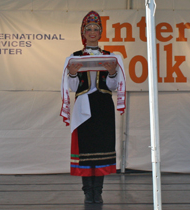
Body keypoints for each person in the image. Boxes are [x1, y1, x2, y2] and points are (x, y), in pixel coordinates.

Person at [60, 11, 126, 204]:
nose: (92, 32)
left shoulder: (110, 57)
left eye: (96, 29)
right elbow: (72, 88)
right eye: (88, 29)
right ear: (83, 32)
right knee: (86, 150)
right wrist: (72, 74)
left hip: (103, 106)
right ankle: (88, 192)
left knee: (102, 148)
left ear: (100, 33)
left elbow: (113, 87)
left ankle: (98, 191)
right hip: (83, 107)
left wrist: (113, 72)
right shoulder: (74, 57)